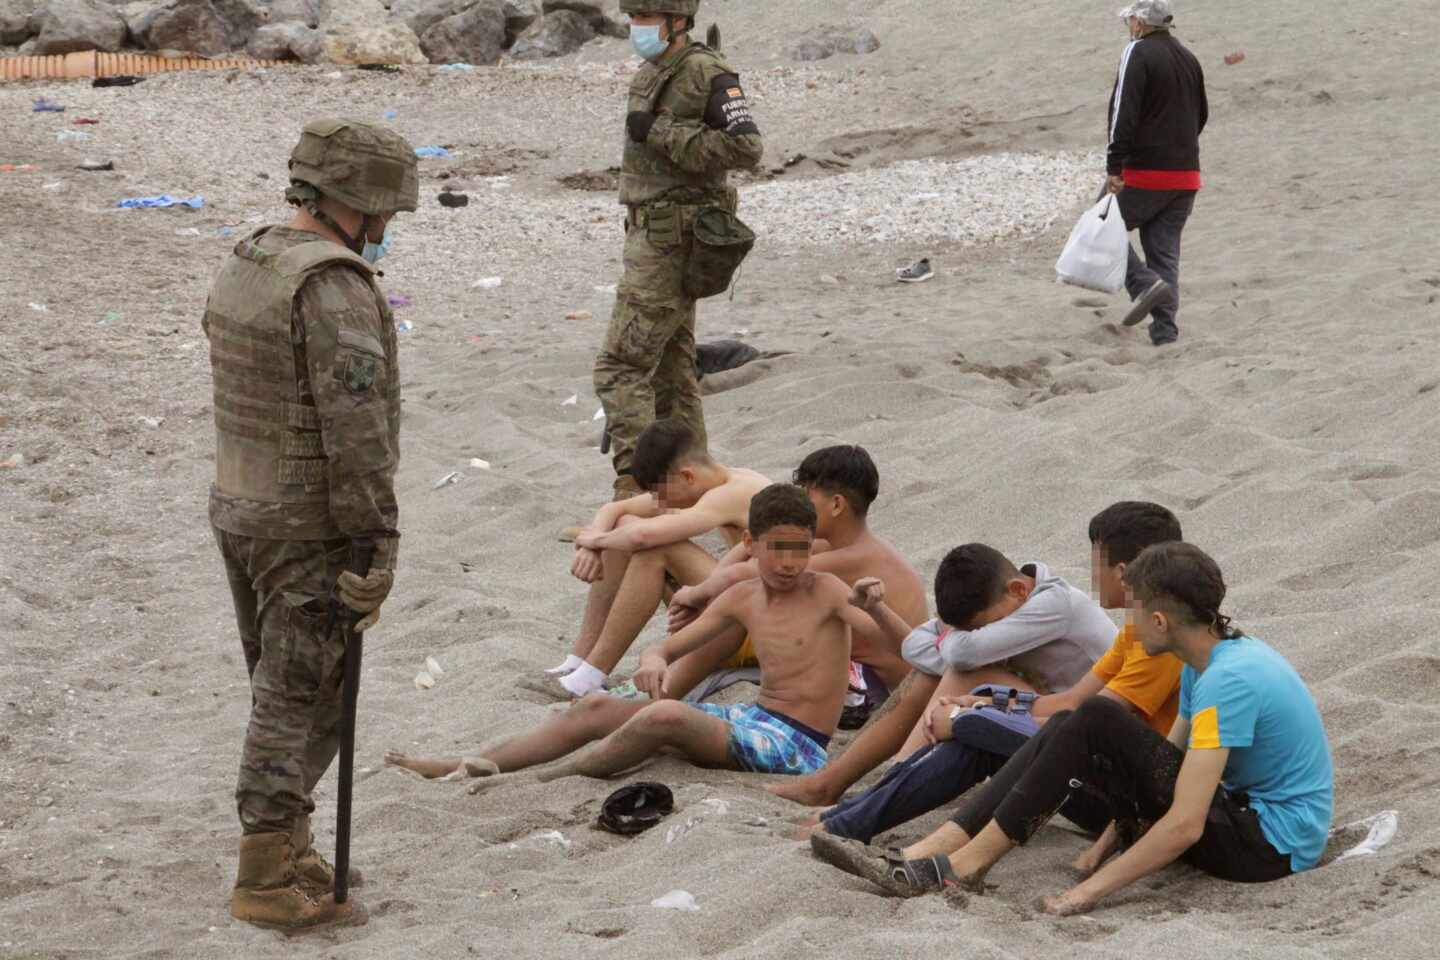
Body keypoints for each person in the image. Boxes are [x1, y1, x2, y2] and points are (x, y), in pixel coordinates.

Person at [812, 543, 1334, 917]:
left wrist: (1086, 893)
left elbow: (1184, 823)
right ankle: (947, 852)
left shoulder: (1229, 680)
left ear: (1159, 621)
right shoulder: (1206, 659)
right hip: (1239, 813)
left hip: (1267, 847)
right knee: (1076, 719)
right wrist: (1101, 846)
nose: (1125, 621)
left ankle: (960, 862)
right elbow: (1159, 766)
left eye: (1135, 610)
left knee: (1092, 718)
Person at [204, 118, 417, 930]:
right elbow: (356, 431)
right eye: (385, 210)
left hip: (241, 504)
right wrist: (377, 541)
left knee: (280, 687)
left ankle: (287, 843)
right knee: (299, 697)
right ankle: (264, 872)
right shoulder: (333, 284)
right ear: (356, 199)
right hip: (306, 524)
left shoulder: (249, 257)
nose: (388, 226)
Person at [391, 485, 870, 788]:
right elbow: (667, 646)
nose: (790, 563)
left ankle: (549, 776)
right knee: (598, 705)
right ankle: (468, 761)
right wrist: (653, 658)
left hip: (798, 746)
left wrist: (878, 606)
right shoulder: (744, 595)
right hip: (751, 717)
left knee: (664, 715)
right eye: (778, 550)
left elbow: (902, 642)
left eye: (800, 550)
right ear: (750, 545)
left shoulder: (825, 589)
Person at [804, 502, 1185, 844]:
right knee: (974, 728)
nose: (1092, 574)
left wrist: (981, 713)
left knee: (974, 727)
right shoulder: (1136, 632)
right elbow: (1070, 703)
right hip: (1085, 757)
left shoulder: (1161, 644)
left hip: (1121, 795)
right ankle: (855, 816)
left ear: (1122, 572)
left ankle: (861, 813)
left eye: (1095, 561)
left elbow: (1093, 722)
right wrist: (985, 702)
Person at [768, 543, 1116, 809]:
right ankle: (838, 783)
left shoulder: (1055, 604)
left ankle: (881, 791)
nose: (977, 635)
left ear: (1019, 590)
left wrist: (952, 637)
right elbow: (917, 649)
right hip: (1044, 716)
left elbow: (959, 653)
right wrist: (880, 610)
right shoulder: (1000, 599)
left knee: (966, 671)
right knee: (934, 674)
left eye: (981, 629)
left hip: (1093, 743)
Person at [596, 0, 764, 498]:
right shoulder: (658, 69)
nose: (637, 29)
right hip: (652, 234)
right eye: (634, 19)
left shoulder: (706, 71)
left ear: (677, 23)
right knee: (672, 370)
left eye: (647, 20)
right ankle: (694, 486)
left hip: (674, 239)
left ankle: (636, 490)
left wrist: (664, 133)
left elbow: (747, 148)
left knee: (622, 366)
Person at [532, 419, 771, 700]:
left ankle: (590, 676)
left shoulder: (733, 492)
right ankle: (579, 660)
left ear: (687, 476)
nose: (659, 500)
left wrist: (593, 540)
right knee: (625, 525)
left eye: (660, 492)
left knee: (654, 549)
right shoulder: (711, 481)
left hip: (752, 627)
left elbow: (642, 538)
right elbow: (617, 508)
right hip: (733, 604)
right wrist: (594, 540)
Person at [666, 445, 928, 697]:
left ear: (836, 505)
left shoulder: (853, 557)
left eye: (807, 494)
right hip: (853, 669)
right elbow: (749, 550)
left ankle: (666, 689)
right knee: (752, 594)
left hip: (869, 686)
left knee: (747, 600)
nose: (801, 502)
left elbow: (743, 574)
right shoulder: (846, 543)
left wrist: (694, 595)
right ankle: (666, 679)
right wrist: (710, 587)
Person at [1104, 0, 1208, 345]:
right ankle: (1165, 332)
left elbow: (1123, 113)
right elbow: (1201, 115)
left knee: (1100, 225)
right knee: (1164, 252)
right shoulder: (1189, 58)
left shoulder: (1138, 51)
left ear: (1139, 22)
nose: (1128, 25)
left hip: (1148, 171)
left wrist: (1114, 165)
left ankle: (1143, 285)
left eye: (1129, 19)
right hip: (1187, 175)